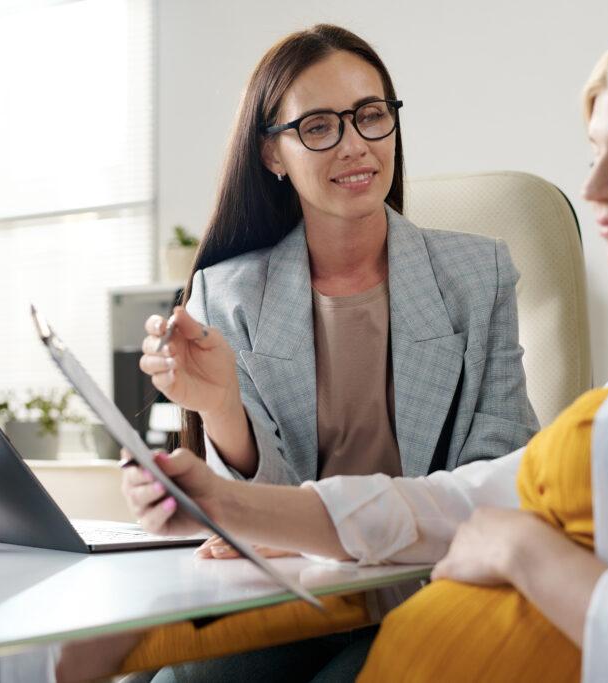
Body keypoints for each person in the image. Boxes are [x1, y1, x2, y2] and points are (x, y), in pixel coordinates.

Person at [123, 27, 608, 682]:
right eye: (595, 155)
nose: (592, 189)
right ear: (273, 152)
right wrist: (224, 497)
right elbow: (459, 500)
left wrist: (519, 550)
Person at [132, 23, 538, 682]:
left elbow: (501, 473)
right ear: (272, 154)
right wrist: (222, 407)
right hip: (290, 595)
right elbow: (253, 526)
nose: (355, 145)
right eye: (318, 127)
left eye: (371, 117)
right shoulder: (227, 293)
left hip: (429, 587)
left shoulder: (478, 274)